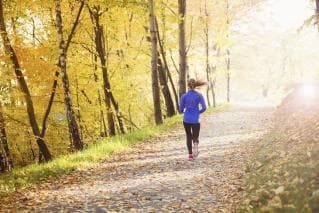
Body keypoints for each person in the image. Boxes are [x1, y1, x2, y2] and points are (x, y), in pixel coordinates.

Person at [179, 79, 207, 160]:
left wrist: (184, 110)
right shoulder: (199, 95)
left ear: (188, 85)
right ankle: (195, 143)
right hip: (196, 119)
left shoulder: (184, 96)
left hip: (186, 119)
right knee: (195, 136)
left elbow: (180, 109)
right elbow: (204, 108)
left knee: (188, 136)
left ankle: (190, 155)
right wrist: (198, 112)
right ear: (195, 86)